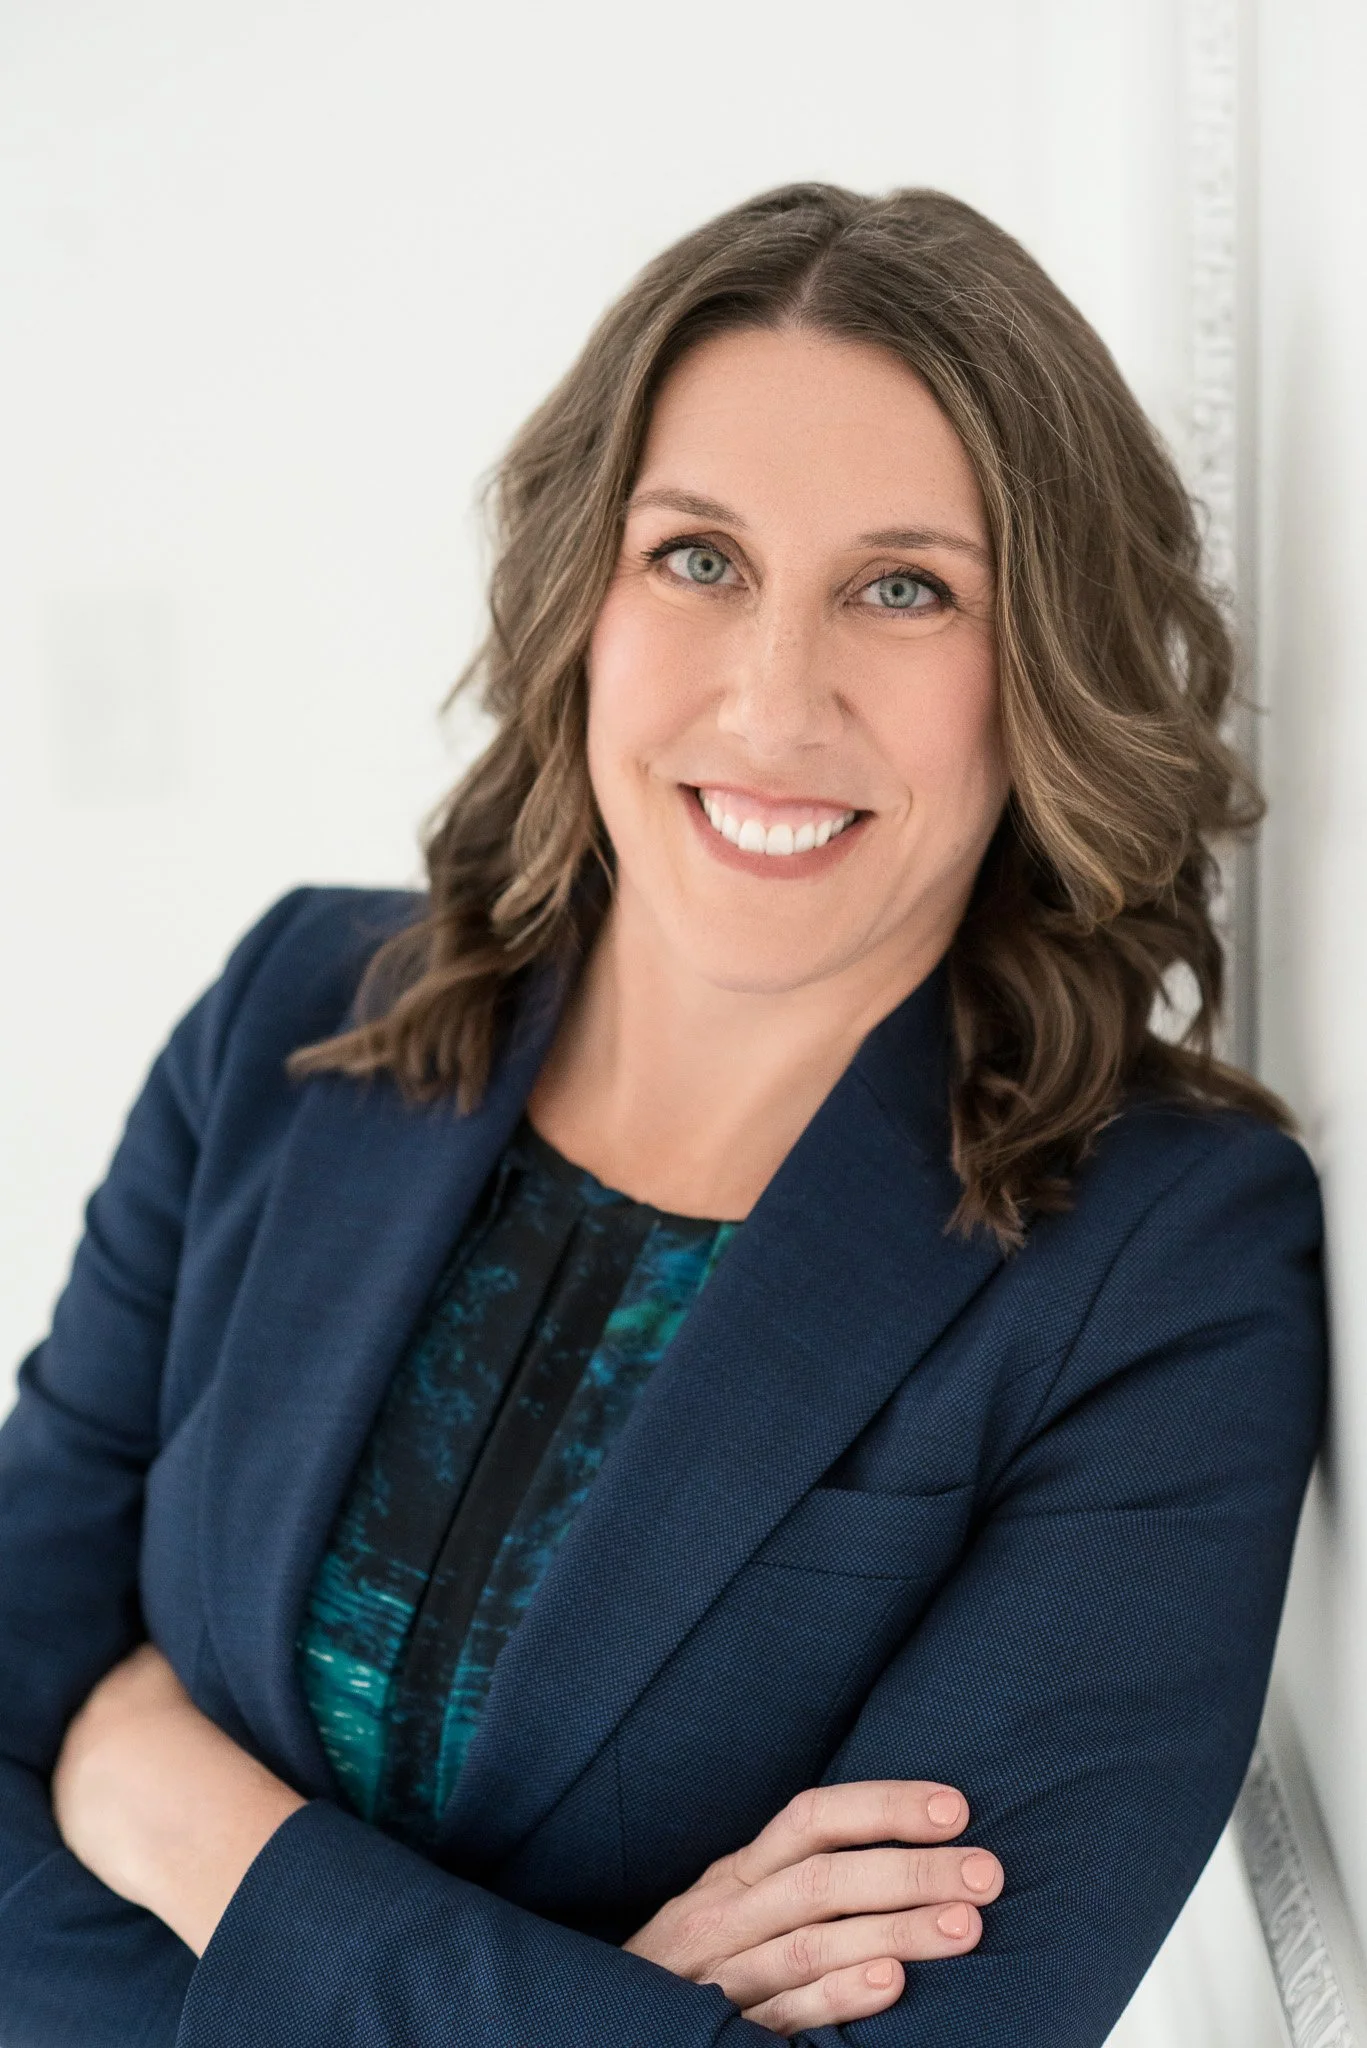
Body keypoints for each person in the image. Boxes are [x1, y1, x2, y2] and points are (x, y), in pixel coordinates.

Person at [0, 183, 1324, 2048]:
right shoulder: (297, 1019)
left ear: (1042, 674)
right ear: (580, 597)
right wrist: (598, 2012)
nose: (771, 696)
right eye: (698, 557)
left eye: (903, 586)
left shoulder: (1162, 1258)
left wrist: (180, 1818)